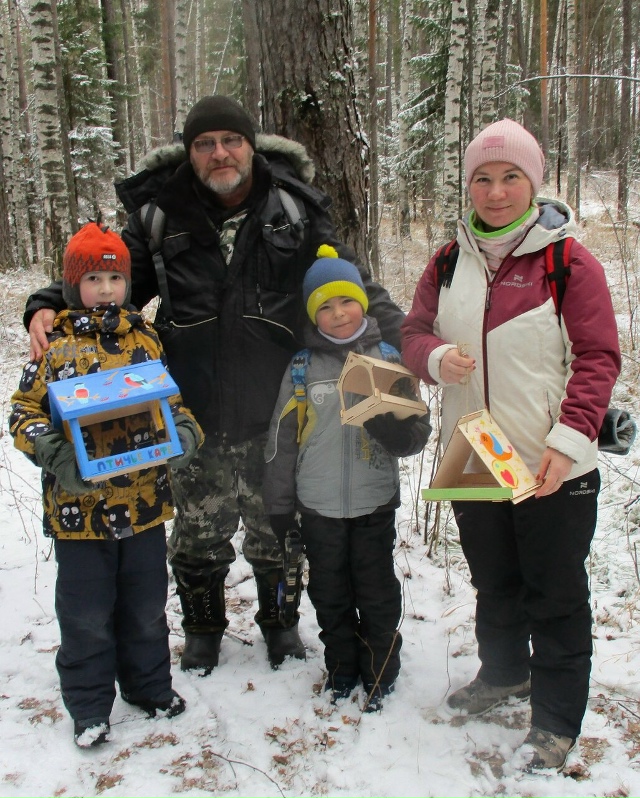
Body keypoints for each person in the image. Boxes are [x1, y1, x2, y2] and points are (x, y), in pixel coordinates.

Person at [25, 95, 405, 672]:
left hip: (275, 408)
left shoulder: (292, 211)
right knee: (198, 534)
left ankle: (279, 623)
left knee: (277, 530)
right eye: (205, 143)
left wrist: (404, 340)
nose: (219, 153)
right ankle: (202, 627)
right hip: (191, 409)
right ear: (191, 153)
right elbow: (108, 276)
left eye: (230, 140)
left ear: (251, 147)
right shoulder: (160, 216)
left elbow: (346, 280)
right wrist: (45, 303)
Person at [401, 119, 621, 771]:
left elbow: (598, 356)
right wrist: (435, 357)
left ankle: (554, 720)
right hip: (477, 448)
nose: (495, 192)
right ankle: (503, 674)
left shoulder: (568, 261)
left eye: (510, 177)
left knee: (553, 592)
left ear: (534, 181)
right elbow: (413, 330)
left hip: (552, 457)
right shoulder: (448, 260)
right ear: (469, 185)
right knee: (495, 580)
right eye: (482, 179)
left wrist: (570, 435)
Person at [10, 222, 203, 748]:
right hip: (79, 512)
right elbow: (24, 415)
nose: (106, 289)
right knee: (86, 614)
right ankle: (90, 705)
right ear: (73, 285)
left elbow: (173, 401)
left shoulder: (146, 339)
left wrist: (184, 431)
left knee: (144, 607)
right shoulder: (55, 345)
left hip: (142, 507)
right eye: (93, 278)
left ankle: (148, 687)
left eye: (115, 278)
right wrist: (54, 455)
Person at [263, 253, 431, 710]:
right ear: (311, 314)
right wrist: (279, 505)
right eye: (325, 307)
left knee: (376, 591)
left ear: (363, 303)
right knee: (330, 593)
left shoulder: (390, 358)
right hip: (317, 506)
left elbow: (417, 430)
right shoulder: (302, 367)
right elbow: (281, 440)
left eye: (346, 302)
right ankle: (341, 669)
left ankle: (379, 669)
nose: (338, 314)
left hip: (375, 501)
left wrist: (397, 432)